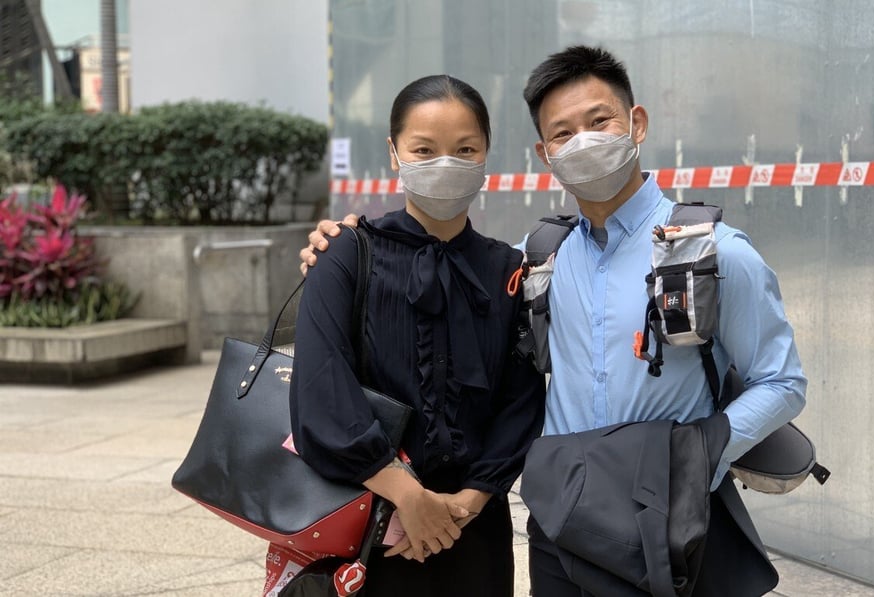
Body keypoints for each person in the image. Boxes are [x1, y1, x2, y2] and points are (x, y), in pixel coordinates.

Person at [303, 46, 806, 596]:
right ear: (546, 154)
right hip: (558, 525)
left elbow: (781, 382)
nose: (583, 141)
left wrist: (700, 453)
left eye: (598, 121)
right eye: (563, 134)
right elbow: (444, 267)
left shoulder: (715, 253)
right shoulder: (538, 258)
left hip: (661, 516)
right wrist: (339, 243)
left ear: (635, 123)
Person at [289, 74, 546, 597]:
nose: (445, 164)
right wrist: (409, 496)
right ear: (394, 152)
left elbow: (522, 399)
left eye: (464, 149)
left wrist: (467, 503)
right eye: (424, 150)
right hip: (362, 524)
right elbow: (320, 390)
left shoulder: (509, 270)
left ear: (485, 156)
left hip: (472, 533)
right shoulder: (346, 253)